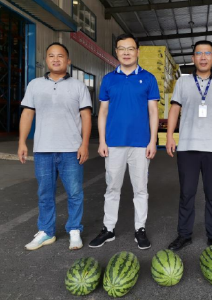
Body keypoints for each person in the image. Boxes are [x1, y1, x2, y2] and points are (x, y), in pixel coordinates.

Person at [18, 42, 92, 251]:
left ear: (68, 61)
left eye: (61, 56)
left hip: (71, 149)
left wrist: (84, 144)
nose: (56, 59)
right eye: (51, 55)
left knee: (75, 192)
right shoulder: (34, 85)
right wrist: (22, 142)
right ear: (47, 60)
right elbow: (27, 114)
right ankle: (47, 231)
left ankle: (74, 229)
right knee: (45, 193)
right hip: (43, 149)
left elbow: (86, 116)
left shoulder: (78, 86)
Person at [88, 34, 159, 250]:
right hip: (114, 144)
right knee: (112, 188)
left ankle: (140, 229)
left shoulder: (148, 78)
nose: (126, 52)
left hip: (140, 144)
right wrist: (102, 141)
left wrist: (153, 141)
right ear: (116, 52)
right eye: (121, 48)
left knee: (140, 189)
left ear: (137, 51)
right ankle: (108, 229)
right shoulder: (109, 79)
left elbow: (153, 112)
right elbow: (103, 112)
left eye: (130, 48)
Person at [166, 40, 212, 251]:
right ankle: (184, 235)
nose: (203, 57)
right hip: (187, 146)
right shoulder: (183, 83)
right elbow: (174, 110)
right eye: (199, 53)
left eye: (208, 53)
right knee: (187, 193)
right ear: (193, 58)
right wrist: (170, 136)